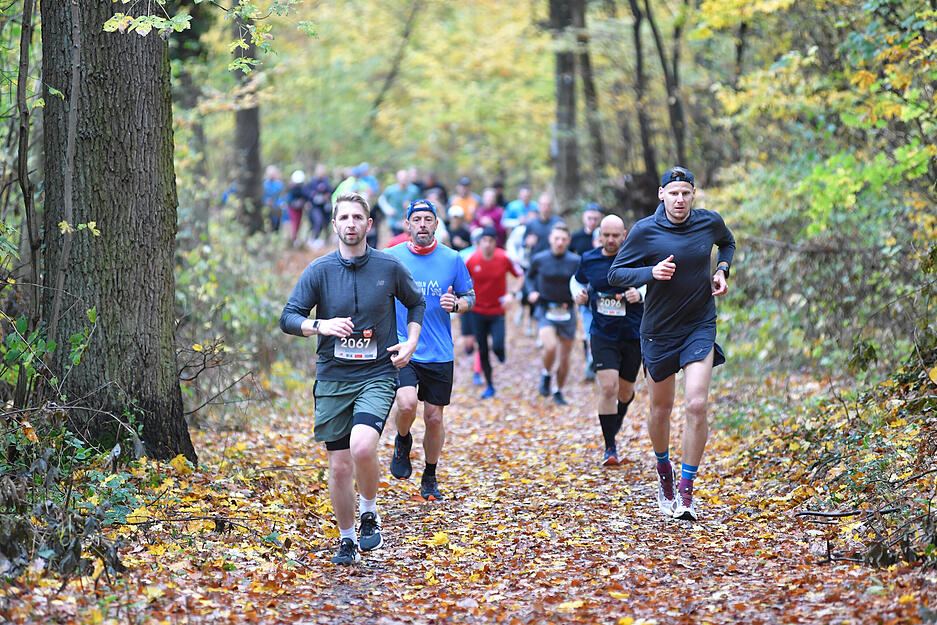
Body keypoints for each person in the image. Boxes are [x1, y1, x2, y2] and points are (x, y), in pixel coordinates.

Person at [279, 192, 425, 565]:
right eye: (343, 217)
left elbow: (416, 302)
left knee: (362, 447)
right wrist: (320, 325)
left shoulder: (389, 267)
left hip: (376, 373)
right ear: (334, 224)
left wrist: (410, 341)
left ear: (369, 224)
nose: (350, 224)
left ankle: (370, 511)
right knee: (340, 464)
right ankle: (346, 539)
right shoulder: (319, 271)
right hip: (332, 377)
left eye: (357, 217)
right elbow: (289, 317)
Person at [608, 166, 735, 522]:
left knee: (696, 404)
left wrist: (722, 270)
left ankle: (687, 491)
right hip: (659, 329)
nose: (680, 199)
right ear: (661, 195)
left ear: (693, 195)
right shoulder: (646, 231)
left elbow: (727, 242)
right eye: (673, 193)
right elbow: (616, 274)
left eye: (686, 193)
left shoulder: (709, 222)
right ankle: (665, 472)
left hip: (699, 325)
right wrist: (651, 273)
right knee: (661, 408)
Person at [385, 199, 475, 501]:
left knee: (435, 418)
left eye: (428, 219)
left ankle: (430, 474)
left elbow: (469, 296)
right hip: (403, 345)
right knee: (407, 403)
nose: (422, 224)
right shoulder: (390, 257)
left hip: (439, 350)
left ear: (436, 224)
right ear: (407, 224)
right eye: (417, 219)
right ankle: (402, 439)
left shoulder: (452, 258)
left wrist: (458, 305)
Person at [572, 215, 645, 466]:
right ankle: (610, 447)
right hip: (602, 333)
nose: (611, 240)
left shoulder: (636, 258)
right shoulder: (589, 259)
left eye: (616, 235)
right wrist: (578, 295)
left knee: (625, 392)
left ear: (624, 235)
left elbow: (655, 280)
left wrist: (641, 293)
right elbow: (577, 281)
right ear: (599, 235)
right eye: (607, 235)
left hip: (633, 333)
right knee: (608, 388)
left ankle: (617, 418)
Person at [465, 227, 523, 398]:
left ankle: (500, 352)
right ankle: (490, 385)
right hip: (477, 311)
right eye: (484, 241)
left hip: (498, 311)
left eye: (491, 241)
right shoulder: (472, 260)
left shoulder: (504, 258)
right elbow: (462, 281)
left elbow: (520, 275)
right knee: (482, 350)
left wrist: (512, 294)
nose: (487, 244)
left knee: (497, 345)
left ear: (495, 242)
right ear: (479, 242)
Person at [526, 223, 580, 405]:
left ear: (568, 241)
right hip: (545, 308)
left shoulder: (575, 261)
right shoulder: (540, 259)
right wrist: (531, 292)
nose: (559, 243)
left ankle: (559, 391)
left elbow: (582, 282)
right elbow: (529, 277)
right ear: (550, 239)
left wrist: (582, 294)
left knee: (565, 357)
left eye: (563, 240)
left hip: (566, 310)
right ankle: (546, 374)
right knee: (550, 347)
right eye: (556, 239)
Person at [571, 203, 604, 380]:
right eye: (589, 218)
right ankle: (590, 360)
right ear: (584, 217)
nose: (592, 221)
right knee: (588, 328)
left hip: (606, 291)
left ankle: (597, 359)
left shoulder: (607, 237)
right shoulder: (575, 238)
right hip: (583, 287)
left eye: (595, 218)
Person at [379, 170, 422, 236]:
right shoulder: (391, 190)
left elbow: (420, 203)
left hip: (409, 222)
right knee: (397, 242)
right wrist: (388, 209)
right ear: (397, 178)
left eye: (405, 178)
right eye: (401, 177)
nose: (403, 180)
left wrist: (411, 205)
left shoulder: (414, 190)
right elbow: (381, 200)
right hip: (394, 221)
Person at [262, 166, 286, 231]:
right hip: (266, 209)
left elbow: (281, 196)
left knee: (276, 226)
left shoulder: (279, 184)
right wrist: (265, 201)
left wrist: (281, 203)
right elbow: (263, 196)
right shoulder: (265, 184)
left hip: (276, 209)